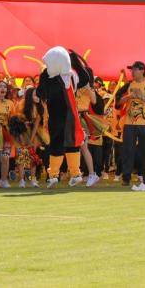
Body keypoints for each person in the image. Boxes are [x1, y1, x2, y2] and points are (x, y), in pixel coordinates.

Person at [36, 47, 90, 189]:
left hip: (57, 117)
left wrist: (44, 75)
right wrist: (74, 60)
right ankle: (75, 174)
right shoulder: (71, 75)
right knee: (71, 143)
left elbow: (41, 93)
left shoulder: (51, 77)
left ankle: (54, 175)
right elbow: (85, 78)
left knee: (57, 145)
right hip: (71, 116)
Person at [115, 61, 145, 186]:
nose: (132, 72)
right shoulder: (128, 85)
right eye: (132, 70)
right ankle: (126, 177)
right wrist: (129, 96)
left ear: (142, 70)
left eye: (135, 70)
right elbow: (117, 102)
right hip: (129, 123)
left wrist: (142, 98)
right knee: (127, 150)